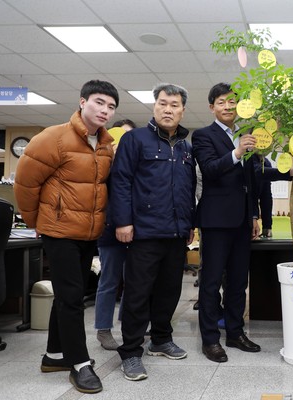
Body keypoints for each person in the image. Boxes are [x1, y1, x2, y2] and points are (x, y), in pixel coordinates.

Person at [13, 80, 119, 394]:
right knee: (73, 298)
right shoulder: (53, 137)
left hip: (88, 233)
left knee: (69, 295)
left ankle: (55, 355)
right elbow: (25, 184)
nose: (105, 110)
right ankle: (80, 364)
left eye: (111, 106)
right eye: (99, 102)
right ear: (83, 102)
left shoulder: (105, 145)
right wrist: (40, 224)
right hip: (58, 231)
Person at [193, 83, 289, 363]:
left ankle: (235, 333)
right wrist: (236, 152)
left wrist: (289, 173)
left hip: (243, 221)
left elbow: (256, 177)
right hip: (215, 221)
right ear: (212, 107)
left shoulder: (247, 136)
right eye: (221, 102)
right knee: (211, 283)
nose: (227, 107)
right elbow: (210, 170)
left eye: (232, 102)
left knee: (238, 283)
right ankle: (210, 339)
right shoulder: (203, 136)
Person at [111, 83, 196, 381]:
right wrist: (123, 222)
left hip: (175, 233)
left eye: (174, 104)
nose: (168, 109)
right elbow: (120, 182)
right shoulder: (134, 140)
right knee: (137, 294)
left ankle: (160, 339)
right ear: (154, 106)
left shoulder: (186, 146)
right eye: (162, 103)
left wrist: (189, 225)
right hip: (144, 232)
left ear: (183, 109)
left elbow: (187, 190)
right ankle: (132, 352)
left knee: (169, 291)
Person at [94, 119, 136, 351]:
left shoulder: (136, 165)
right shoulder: (102, 163)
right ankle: (103, 329)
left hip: (136, 232)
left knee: (134, 281)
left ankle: (129, 324)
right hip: (110, 231)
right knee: (109, 281)